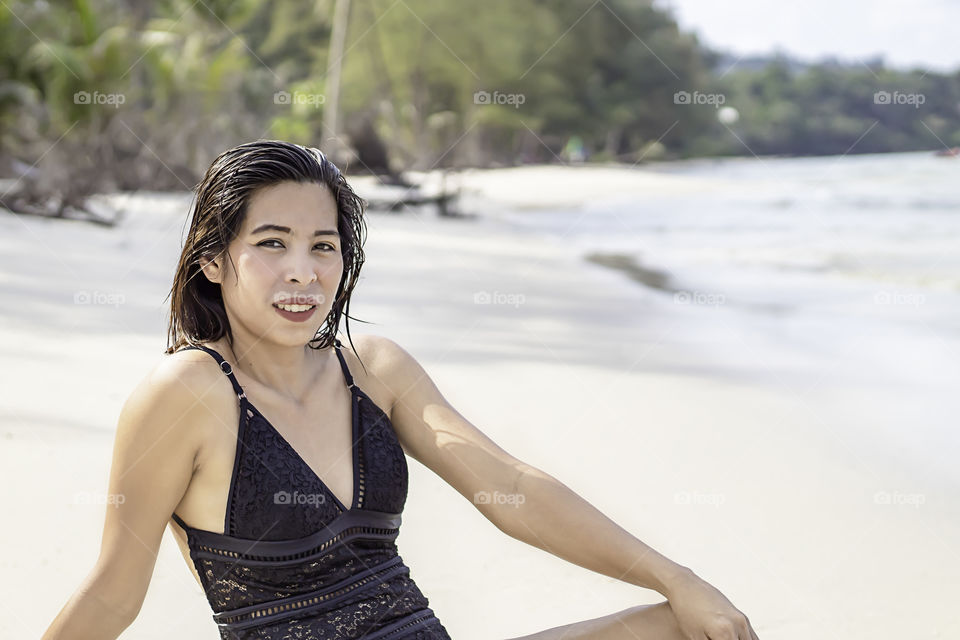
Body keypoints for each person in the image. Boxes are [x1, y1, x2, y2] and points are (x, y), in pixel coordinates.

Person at [42, 140, 759, 640]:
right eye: (271, 243)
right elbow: (112, 594)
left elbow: (509, 488)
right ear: (212, 264)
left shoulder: (373, 369)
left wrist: (678, 578)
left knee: (700, 628)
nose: (303, 272)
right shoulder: (189, 391)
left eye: (323, 246)